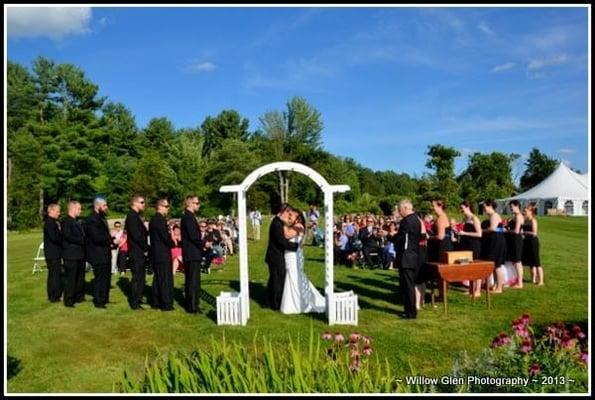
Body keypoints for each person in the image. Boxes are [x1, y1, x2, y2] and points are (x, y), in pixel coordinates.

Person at [280, 212, 326, 314]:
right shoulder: (295, 226)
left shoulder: (299, 226)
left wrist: (283, 222)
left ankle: (295, 303)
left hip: (293, 255)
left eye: (291, 216)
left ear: (298, 218)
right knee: (292, 275)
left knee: (293, 275)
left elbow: (286, 235)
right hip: (290, 254)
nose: (289, 217)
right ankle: (291, 301)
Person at [390, 199, 422, 319]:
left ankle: (410, 312)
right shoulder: (417, 219)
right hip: (413, 255)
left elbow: (401, 239)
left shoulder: (406, 221)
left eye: (400, 209)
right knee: (408, 285)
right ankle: (409, 310)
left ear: (405, 208)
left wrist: (389, 236)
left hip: (406, 257)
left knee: (407, 286)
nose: (399, 212)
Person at [264, 203, 300, 310]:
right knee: (278, 280)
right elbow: (281, 242)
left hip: (275, 255)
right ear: (283, 212)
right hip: (275, 256)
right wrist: (295, 246)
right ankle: (276, 304)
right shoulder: (276, 224)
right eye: (288, 213)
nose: (289, 216)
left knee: (274, 280)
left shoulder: (278, 222)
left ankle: (268, 302)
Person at [84, 197, 112, 309]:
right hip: (97, 253)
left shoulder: (101, 218)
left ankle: (104, 298)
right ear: (97, 206)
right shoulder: (92, 219)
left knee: (106, 277)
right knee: (100, 278)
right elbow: (96, 237)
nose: (106, 208)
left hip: (104, 252)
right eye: (104, 205)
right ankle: (99, 301)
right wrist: (110, 238)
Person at [149, 199, 176, 311]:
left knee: (158, 279)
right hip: (162, 254)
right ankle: (166, 304)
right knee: (165, 279)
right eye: (166, 206)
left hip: (156, 253)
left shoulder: (153, 220)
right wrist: (172, 241)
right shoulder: (160, 220)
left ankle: (156, 301)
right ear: (160, 206)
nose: (168, 208)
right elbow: (165, 238)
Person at [124, 195, 149, 310]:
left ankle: (138, 299)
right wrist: (146, 248)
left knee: (140, 276)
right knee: (137, 277)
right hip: (136, 251)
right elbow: (137, 235)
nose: (144, 204)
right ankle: (135, 302)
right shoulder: (132, 216)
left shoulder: (136, 216)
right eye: (142, 202)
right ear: (135, 203)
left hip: (139, 251)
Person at [181, 195, 204, 314]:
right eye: (197, 203)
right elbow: (194, 236)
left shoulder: (189, 217)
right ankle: (192, 306)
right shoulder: (188, 217)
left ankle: (192, 304)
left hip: (191, 253)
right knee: (193, 281)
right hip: (192, 253)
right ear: (190, 204)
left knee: (192, 279)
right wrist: (204, 244)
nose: (198, 205)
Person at [61, 201, 86, 307]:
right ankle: (69, 300)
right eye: (79, 209)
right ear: (73, 209)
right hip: (71, 255)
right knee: (71, 278)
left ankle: (78, 296)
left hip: (79, 254)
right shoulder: (66, 222)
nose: (80, 211)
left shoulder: (77, 222)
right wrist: (82, 240)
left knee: (80, 277)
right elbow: (68, 236)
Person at [458, 201, 483, 297]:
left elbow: (479, 234)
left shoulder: (474, 218)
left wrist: (464, 233)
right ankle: (471, 289)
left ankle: (478, 290)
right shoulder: (464, 218)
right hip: (465, 245)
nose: (460, 210)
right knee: (467, 267)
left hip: (474, 245)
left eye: (462, 207)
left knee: (475, 267)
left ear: (467, 207)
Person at [482, 200, 507, 294]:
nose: (484, 209)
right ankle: (495, 285)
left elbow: (492, 228)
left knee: (497, 265)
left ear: (490, 206)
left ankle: (499, 288)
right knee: (494, 265)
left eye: (485, 207)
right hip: (495, 240)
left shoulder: (494, 215)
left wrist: (482, 231)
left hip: (497, 241)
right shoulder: (491, 216)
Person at [43, 203, 63, 303]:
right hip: (53, 253)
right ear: (51, 211)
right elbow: (55, 237)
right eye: (57, 211)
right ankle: (55, 296)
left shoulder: (54, 222)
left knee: (53, 274)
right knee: (55, 275)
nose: (59, 213)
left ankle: (52, 295)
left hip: (53, 252)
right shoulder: (50, 223)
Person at [522, 204, 544, 286]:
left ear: (530, 212)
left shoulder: (533, 220)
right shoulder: (525, 220)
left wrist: (524, 232)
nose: (524, 212)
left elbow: (534, 233)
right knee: (531, 262)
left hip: (533, 242)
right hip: (526, 241)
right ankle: (533, 279)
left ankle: (541, 281)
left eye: (525, 211)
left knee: (536, 261)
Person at [506, 200, 525, 289]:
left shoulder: (519, 216)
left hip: (516, 240)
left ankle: (520, 283)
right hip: (513, 240)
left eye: (512, 207)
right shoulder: (514, 216)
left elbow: (517, 231)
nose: (510, 208)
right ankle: (516, 280)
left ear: (517, 206)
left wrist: (506, 231)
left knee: (517, 261)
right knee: (515, 261)